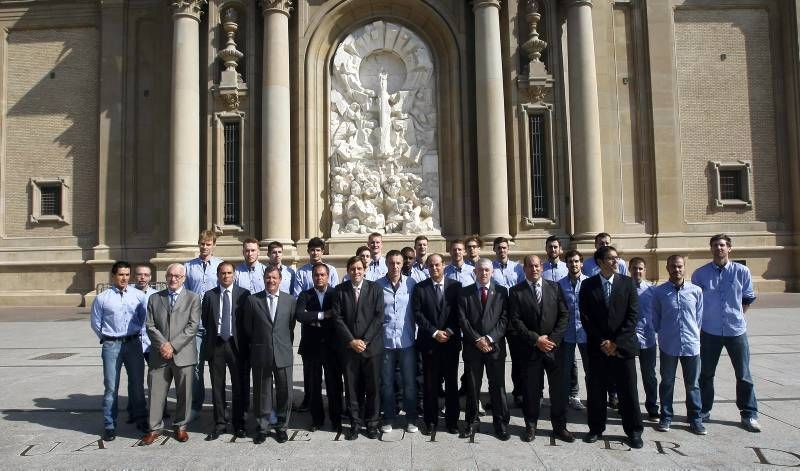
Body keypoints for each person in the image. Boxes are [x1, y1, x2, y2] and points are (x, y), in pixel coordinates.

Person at [691, 234, 760, 432]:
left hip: (736, 331)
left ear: (729, 248)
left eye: (722, 245)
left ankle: (749, 414)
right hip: (709, 330)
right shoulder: (700, 274)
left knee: (744, 374)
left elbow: (747, 298)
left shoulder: (741, 271)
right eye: (715, 245)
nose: (719, 248)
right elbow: (696, 302)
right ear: (711, 249)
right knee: (705, 374)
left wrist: (735, 316)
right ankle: (703, 411)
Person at [578, 246, 644, 449]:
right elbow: (586, 317)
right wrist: (603, 342)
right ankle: (596, 428)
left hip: (622, 349)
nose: (616, 261)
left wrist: (616, 343)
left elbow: (632, 317)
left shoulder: (627, 283)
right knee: (596, 391)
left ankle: (633, 431)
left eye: (617, 258)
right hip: (598, 349)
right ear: (600, 262)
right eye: (611, 258)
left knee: (628, 391)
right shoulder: (588, 285)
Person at [508, 255, 574, 443]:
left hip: (554, 348)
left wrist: (551, 340)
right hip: (530, 349)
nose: (534, 269)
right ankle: (530, 426)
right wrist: (536, 339)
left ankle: (560, 426)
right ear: (524, 269)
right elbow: (516, 321)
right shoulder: (516, 292)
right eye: (530, 266)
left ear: (542, 267)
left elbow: (564, 315)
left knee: (558, 391)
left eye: (537, 266)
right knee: (531, 390)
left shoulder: (554, 287)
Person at [140, 264, 201, 445]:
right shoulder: (155, 298)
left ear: (184, 278)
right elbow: (150, 326)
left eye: (177, 276)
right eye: (170, 276)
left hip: (183, 354)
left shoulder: (193, 298)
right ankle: (154, 428)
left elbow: (193, 326)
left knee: (184, 393)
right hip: (159, 355)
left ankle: (180, 426)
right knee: (156, 393)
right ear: (166, 277)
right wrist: (163, 345)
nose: (173, 279)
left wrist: (173, 346)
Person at [90, 261, 148, 441]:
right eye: (120, 274)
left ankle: (140, 418)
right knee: (110, 387)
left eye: (127, 274)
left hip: (133, 344)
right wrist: (108, 338)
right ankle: (109, 424)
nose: (124, 278)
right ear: (113, 276)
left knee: (137, 385)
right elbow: (96, 322)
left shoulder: (139, 296)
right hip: (112, 345)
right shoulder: (102, 298)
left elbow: (144, 319)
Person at [240, 265, 296, 444]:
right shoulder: (252, 300)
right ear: (263, 279)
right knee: (262, 393)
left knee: (284, 392)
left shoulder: (290, 301)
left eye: (274, 278)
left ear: (280, 280)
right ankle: (262, 427)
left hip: (283, 352)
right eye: (268, 278)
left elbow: (290, 326)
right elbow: (248, 328)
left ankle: (281, 427)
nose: (271, 281)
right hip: (261, 352)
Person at [332, 256, 385, 440]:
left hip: (372, 348)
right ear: (348, 271)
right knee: (352, 388)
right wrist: (351, 341)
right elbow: (337, 318)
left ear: (365, 270)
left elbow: (379, 317)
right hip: (349, 349)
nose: (356, 272)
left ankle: (372, 424)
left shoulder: (375, 289)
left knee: (373, 388)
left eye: (359, 268)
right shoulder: (340, 291)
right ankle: (355, 423)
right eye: (353, 269)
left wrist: (365, 340)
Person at [653, 255, 705, 435]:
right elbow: (656, 319)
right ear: (667, 268)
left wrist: (692, 334)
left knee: (693, 385)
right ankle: (666, 416)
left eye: (680, 266)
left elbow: (698, 318)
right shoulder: (659, 292)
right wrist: (665, 333)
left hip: (691, 344)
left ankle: (695, 419)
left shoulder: (696, 291)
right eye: (673, 267)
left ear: (685, 268)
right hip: (669, 344)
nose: (677, 270)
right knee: (667, 382)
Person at [459, 258, 510, 440]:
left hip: (494, 348)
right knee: (473, 387)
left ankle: (500, 423)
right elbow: (463, 320)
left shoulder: (502, 292)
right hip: (473, 348)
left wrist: (489, 338)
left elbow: (504, 319)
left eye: (487, 270)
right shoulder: (465, 293)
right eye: (480, 270)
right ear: (475, 272)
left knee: (497, 386)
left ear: (492, 272)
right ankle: (471, 422)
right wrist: (477, 339)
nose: (483, 273)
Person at [201, 261, 250, 440]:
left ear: (234, 275)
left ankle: (239, 424)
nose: (226, 276)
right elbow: (206, 320)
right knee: (217, 387)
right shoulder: (209, 296)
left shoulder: (244, 295)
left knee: (239, 387)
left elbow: (246, 322)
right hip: (217, 345)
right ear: (218, 275)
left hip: (237, 346)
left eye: (229, 273)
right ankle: (220, 423)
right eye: (223, 273)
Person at [412, 253, 461, 435]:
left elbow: (459, 314)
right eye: (431, 266)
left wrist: (448, 332)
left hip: (450, 343)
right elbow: (417, 314)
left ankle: (452, 421)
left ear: (444, 265)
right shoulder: (420, 288)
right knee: (430, 385)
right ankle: (430, 421)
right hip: (429, 344)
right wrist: (434, 332)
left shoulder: (456, 287)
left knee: (451, 384)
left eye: (437, 265)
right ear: (427, 268)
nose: (434, 268)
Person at [294, 263, 344, 433]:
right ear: (312, 277)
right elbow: (300, 315)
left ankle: (336, 419)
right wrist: (323, 315)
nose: (319, 278)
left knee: (334, 385)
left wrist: (313, 319)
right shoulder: (305, 295)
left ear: (328, 276)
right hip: (311, 348)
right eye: (316, 275)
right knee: (313, 386)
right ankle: (317, 419)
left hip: (332, 348)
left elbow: (338, 315)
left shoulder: (336, 293)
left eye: (322, 275)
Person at [293, 237, 340, 413]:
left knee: (332, 375)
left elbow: (334, 301)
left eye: (318, 250)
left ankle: (335, 407)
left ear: (322, 251)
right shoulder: (301, 272)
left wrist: (319, 316)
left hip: (329, 334)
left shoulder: (332, 270)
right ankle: (310, 401)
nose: (315, 253)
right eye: (312, 250)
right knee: (311, 374)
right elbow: (300, 305)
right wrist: (319, 316)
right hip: (310, 331)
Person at [376, 250, 419, 433]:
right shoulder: (377, 285)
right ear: (386, 264)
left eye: (398, 263)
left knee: (409, 382)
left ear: (403, 265)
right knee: (386, 382)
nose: (395, 266)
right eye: (392, 263)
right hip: (385, 341)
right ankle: (389, 418)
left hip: (406, 340)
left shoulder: (411, 284)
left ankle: (411, 418)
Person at [581, 233, 625, 409]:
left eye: (606, 242)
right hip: (596, 330)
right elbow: (586, 310)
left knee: (617, 372)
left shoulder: (621, 268)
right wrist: (599, 338)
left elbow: (626, 302)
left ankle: (615, 396)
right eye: (601, 243)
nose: (603, 245)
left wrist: (617, 338)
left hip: (617, 332)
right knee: (595, 374)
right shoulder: (587, 267)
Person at [184, 230, 223, 419]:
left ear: (214, 245)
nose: (205, 247)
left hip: (216, 324)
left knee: (217, 366)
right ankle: (196, 404)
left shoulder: (221, 265)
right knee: (196, 367)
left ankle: (219, 404)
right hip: (196, 325)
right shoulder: (188, 267)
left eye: (208, 244)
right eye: (202, 243)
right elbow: (183, 296)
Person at [491, 237, 524, 405]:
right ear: (494, 250)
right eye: (498, 248)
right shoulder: (490, 269)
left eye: (504, 248)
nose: (502, 250)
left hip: (514, 318)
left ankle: (518, 392)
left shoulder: (518, 267)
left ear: (508, 249)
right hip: (496, 318)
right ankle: (496, 395)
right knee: (495, 359)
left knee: (518, 357)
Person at [557, 250, 589, 411]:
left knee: (590, 367)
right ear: (566, 264)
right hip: (567, 332)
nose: (574, 264)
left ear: (581, 263)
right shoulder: (560, 284)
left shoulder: (589, 283)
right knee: (568, 366)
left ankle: (593, 396)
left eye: (576, 261)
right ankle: (571, 395)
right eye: (570, 262)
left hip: (586, 332)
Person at [629, 257, 659, 419]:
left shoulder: (653, 291)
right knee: (627, 376)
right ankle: (627, 405)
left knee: (649, 376)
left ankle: (652, 406)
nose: (637, 272)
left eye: (640, 268)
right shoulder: (623, 289)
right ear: (629, 269)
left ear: (645, 270)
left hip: (648, 340)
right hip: (628, 339)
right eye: (634, 268)